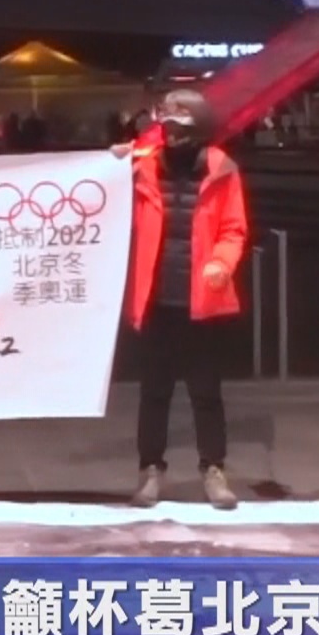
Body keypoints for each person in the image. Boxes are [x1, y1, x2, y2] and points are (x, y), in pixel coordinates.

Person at [113, 87, 249, 510]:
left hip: (202, 302)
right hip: (155, 299)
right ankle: (150, 470)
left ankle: (214, 469)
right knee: (154, 392)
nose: (171, 134)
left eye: (180, 127)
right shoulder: (143, 166)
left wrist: (222, 262)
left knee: (205, 392)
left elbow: (233, 229)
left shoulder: (222, 169)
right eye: (167, 125)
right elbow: (100, 184)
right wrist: (112, 160)